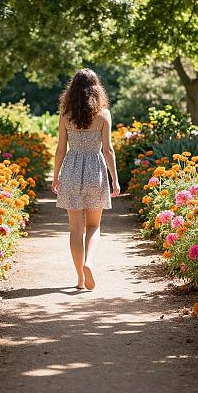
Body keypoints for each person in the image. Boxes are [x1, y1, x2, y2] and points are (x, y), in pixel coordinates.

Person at [51, 68, 120, 291]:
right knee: (93, 225)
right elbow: (108, 150)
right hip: (95, 171)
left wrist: (55, 177)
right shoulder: (103, 114)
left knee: (75, 229)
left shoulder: (65, 115)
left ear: (72, 90)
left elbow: (60, 149)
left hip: (71, 171)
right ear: (96, 89)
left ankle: (80, 278)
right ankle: (89, 262)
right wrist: (115, 180)